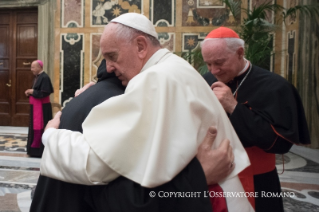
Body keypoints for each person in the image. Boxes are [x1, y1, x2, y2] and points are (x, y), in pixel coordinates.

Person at [39, 13, 253, 211]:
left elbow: (98, 162)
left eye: (112, 56)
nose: (109, 67)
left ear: (141, 46)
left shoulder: (154, 79)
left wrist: (51, 136)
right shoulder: (174, 68)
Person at [201, 27, 311, 212]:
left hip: (259, 179)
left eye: (219, 62)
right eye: (208, 64)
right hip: (215, 178)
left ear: (240, 53)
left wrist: (233, 107)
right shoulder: (204, 81)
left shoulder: (275, 87)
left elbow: (281, 143)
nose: (214, 70)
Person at [30, 59, 125, 211]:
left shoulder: (84, 95)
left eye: (33, 67)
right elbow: (100, 164)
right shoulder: (119, 100)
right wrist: (49, 135)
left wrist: (49, 135)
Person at [25, 60, 53, 157]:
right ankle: (33, 150)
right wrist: (30, 92)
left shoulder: (44, 77)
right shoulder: (37, 77)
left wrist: (32, 92)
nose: (31, 69)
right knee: (34, 127)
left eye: (33, 67)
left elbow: (45, 93)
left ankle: (39, 151)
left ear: (39, 67)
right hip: (36, 107)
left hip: (42, 109)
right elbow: (37, 90)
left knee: (41, 127)